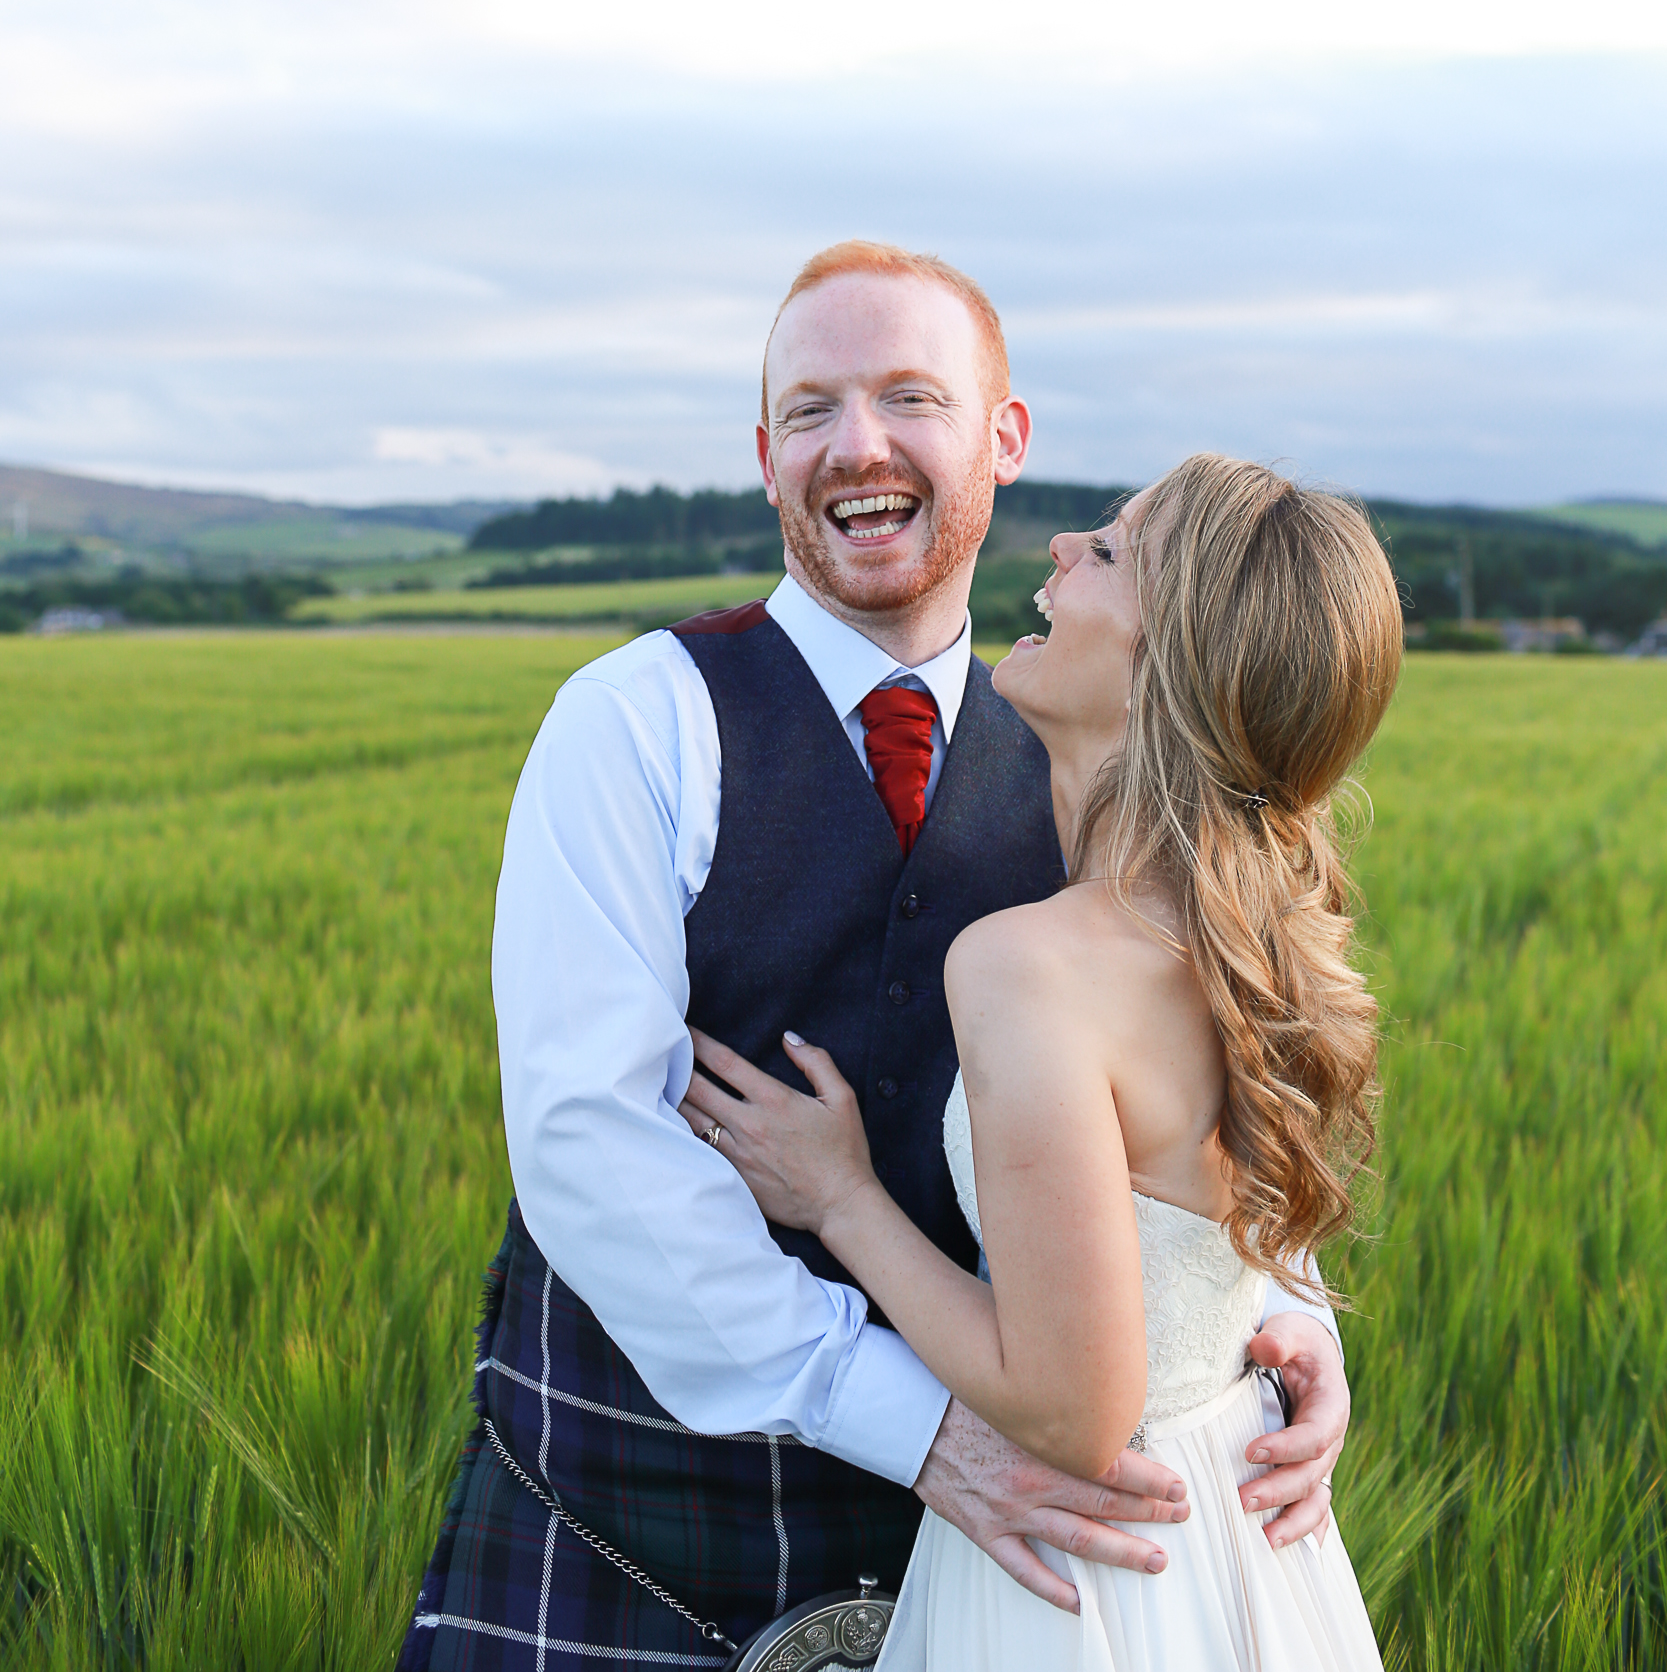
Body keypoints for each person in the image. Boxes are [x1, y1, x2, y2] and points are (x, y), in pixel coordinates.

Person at [399, 246, 1349, 1671]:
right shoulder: (631, 722)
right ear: (765, 457)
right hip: (633, 1518)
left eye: (911, 397)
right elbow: (587, 1135)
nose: (857, 447)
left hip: (1009, 1537)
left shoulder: (1097, 748)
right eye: (807, 410)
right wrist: (913, 1425)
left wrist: (1264, 1305)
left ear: (1001, 438)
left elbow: (1200, 1036)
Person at [678, 453, 1400, 1669]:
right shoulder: (1245, 927)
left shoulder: (1031, 963)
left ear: (1169, 664)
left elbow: (1073, 1409)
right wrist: (1301, 1327)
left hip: (1091, 1575)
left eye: (1111, 551)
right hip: (1239, 1540)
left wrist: (841, 1198)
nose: (1062, 546)